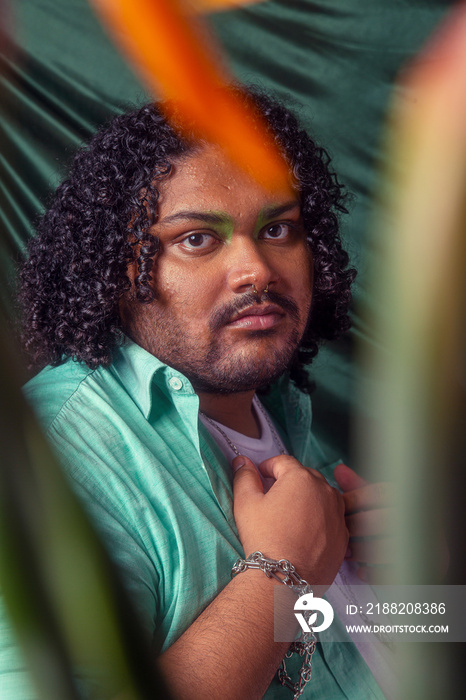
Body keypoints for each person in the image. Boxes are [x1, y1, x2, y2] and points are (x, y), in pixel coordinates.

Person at [8, 87, 392, 699]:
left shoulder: (276, 406)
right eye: (196, 238)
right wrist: (281, 574)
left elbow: (348, 643)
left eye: (278, 228)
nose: (257, 269)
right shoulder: (50, 456)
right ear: (119, 266)